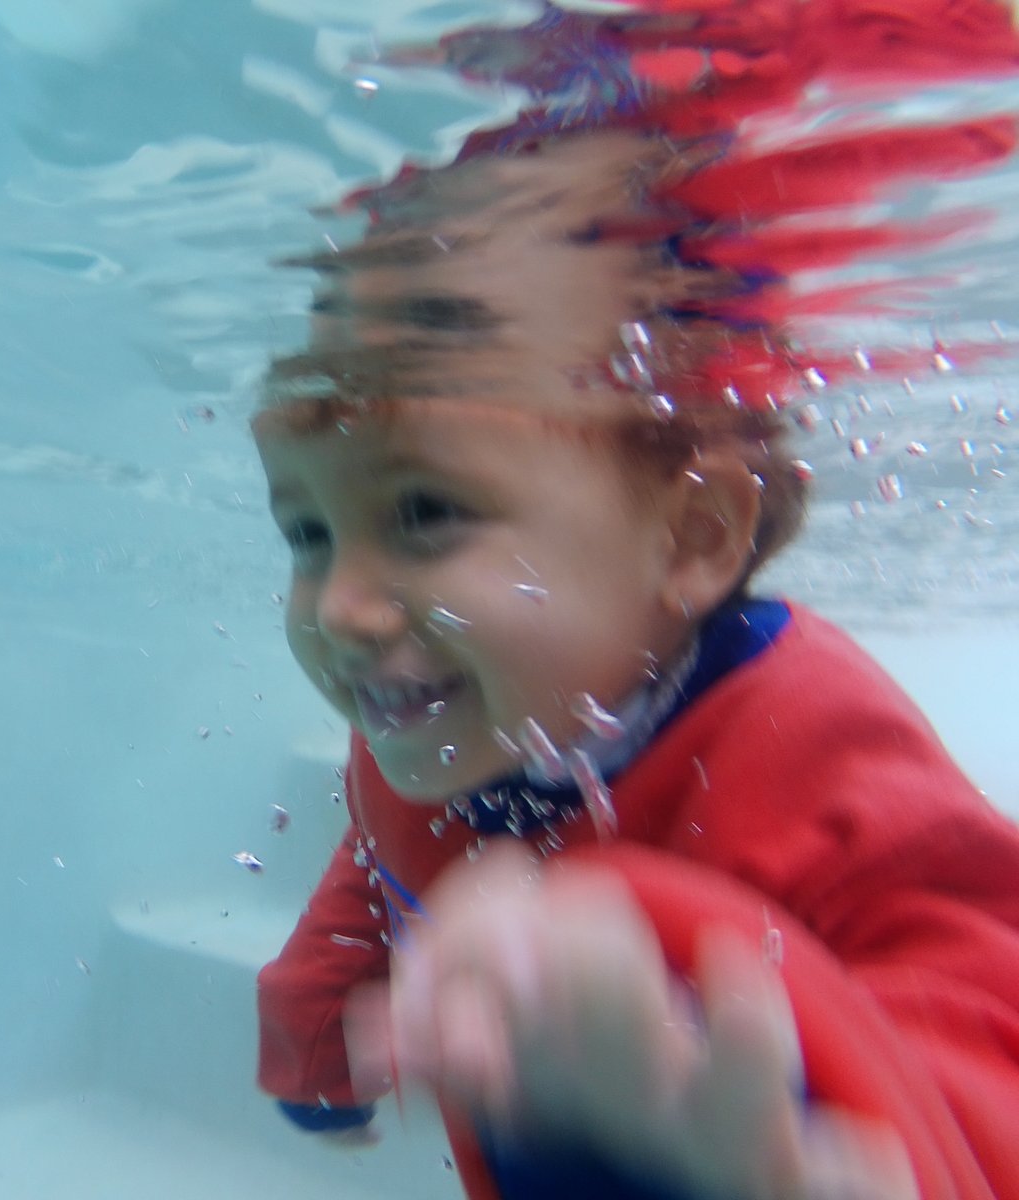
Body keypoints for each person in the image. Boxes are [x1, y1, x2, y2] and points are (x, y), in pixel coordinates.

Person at [251, 3, 1019, 1198]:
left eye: (425, 512)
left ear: (693, 535)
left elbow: (991, 1023)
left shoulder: (816, 755)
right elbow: (382, 853)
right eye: (307, 531)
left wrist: (841, 1154)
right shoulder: (434, 708)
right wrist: (314, 1035)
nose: (343, 606)